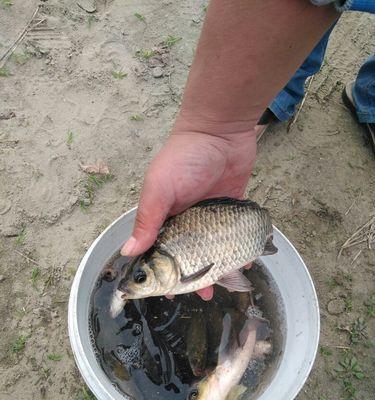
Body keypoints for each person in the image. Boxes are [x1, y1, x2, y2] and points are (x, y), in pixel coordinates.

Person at [120, 0, 369, 301]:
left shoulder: (176, 267)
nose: (135, 285)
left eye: (142, 277)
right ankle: (287, 96)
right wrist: (211, 131)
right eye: (140, 279)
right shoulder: (170, 261)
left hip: (242, 229)